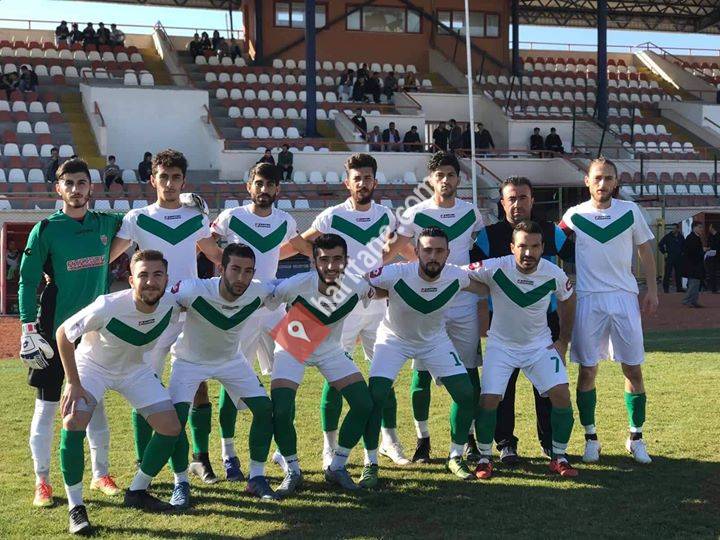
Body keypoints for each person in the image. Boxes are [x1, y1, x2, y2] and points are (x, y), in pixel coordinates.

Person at [109, 149, 223, 483]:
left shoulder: (196, 218)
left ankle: (200, 458)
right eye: (164, 177)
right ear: (152, 179)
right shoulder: (136, 217)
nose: (169, 183)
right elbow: (108, 256)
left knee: (198, 385)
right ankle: (143, 460)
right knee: (142, 385)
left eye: (175, 177)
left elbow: (217, 255)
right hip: (151, 313)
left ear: (183, 181)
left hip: (190, 312)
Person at [19, 158, 123, 508]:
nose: (76, 189)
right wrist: (28, 326)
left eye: (82, 183)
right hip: (54, 328)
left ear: (91, 187)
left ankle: (100, 473)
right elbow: (27, 279)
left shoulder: (107, 222)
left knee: (94, 402)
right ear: (58, 188)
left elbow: (145, 220)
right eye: (69, 183)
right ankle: (42, 481)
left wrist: (184, 205)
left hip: (95, 331)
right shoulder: (47, 228)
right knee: (48, 406)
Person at [56, 250, 182, 534]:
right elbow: (64, 333)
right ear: (130, 280)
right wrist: (73, 383)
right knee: (73, 421)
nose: (150, 281)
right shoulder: (108, 305)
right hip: (93, 367)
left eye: (157, 275)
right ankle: (76, 507)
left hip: (134, 370)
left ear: (166, 279)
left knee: (170, 427)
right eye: (143, 275)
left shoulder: (172, 304)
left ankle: (137, 491)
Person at [299, 153, 406, 470]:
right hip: (340, 308)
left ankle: (389, 440)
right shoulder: (331, 216)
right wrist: (326, 271)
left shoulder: (386, 215)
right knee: (334, 378)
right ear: (347, 182)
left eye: (367, 177)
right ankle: (329, 447)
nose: (362, 183)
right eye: (356, 178)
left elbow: (398, 246)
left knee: (384, 376)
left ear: (375, 181)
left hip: (377, 306)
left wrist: (382, 263)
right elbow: (303, 243)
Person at [210, 162, 311, 481]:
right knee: (230, 382)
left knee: (292, 372)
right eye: (259, 183)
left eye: (270, 184)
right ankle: (229, 454)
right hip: (238, 311)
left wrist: (336, 261)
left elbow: (304, 249)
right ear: (249, 186)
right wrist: (226, 274)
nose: (264, 189)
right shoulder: (231, 217)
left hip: (275, 305)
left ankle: (283, 449)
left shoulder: (286, 220)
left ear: (278, 189)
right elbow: (205, 243)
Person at [383, 152, 484, 464]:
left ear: (458, 178)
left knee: (468, 372)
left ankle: (468, 438)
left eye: (450, 174)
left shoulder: (472, 212)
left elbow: (477, 251)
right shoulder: (415, 213)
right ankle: (423, 440)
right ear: (430, 179)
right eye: (439, 175)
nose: (445, 180)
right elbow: (395, 248)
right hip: (426, 303)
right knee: (422, 372)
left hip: (463, 302)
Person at [367, 227, 487, 484]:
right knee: (375, 395)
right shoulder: (397, 272)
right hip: (394, 340)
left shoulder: (456, 275)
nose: (433, 256)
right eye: (428, 250)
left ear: (448, 253)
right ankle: (371, 462)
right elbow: (363, 282)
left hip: (434, 341)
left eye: (439, 251)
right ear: (417, 251)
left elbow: (486, 287)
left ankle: (455, 456)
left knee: (466, 394)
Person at [559, 156, 658, 464]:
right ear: (587, 181)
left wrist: (652, 289)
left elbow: (645, 250)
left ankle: (636, 437)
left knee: (633, 369)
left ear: (616, 182)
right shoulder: (574, 214)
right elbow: (551, 242)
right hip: (589, 299)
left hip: (624, 297)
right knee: (587, 370)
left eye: (608, 178)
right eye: (597, 178)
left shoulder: (630, 211)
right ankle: (591, 439)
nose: (602, 183)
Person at [471, 176, 574, 464]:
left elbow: (581, 256)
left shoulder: (551, 232)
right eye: (512, 198)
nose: (517, 204)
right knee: (501, 389)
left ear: (532, 201)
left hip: (545, 321)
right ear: (502, 202)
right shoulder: (488, 236)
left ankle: (550, 444)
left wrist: (563, 339)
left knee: (549, 388)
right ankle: (506, 444)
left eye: (523, 197)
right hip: (503, 323)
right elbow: (468, 272)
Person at [166, 244, 277, 506]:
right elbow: (161, 299)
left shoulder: (259, 291)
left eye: (248, 271)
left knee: (264, 410)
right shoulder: (194, 289)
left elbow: (290, 289)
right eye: (235, 269)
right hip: (189, 361)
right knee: (174, 420)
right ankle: (180, 482)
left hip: (231, 361)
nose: (241, 277)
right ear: (221, 268)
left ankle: (257, 477)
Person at [266, 234, 376, 494]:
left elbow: (375, 291)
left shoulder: (357, 285)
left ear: (346, 260)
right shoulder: (295, 284)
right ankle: (292, 470)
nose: (330, 266)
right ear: (314, 261)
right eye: (324, 259)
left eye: (337, 259)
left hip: (330, 349)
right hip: (293, 345)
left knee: (363, 403)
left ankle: (337, 466)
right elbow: (268, 299)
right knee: (281, 409)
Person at [682, 221, 705, 308]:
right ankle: (687, 300)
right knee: (693, 284)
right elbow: (692, 252)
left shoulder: (695, 237)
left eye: (701, 227)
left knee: (696, 283)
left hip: (696, 265)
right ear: (694, 227)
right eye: (699, 227)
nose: (701, 229)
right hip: (693, 265)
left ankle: (693, 301)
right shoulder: (691, 238)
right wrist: (702, 251)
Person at [658, 223, 685, 293]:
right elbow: (660, 245)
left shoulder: (681, 237)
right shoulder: (668, 236)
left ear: (678, 229)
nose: (673, 229)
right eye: (672, 228)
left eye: (675, 228)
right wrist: (664, 252)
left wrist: (682, 253)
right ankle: (666, 288)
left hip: (678, 258)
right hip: (670, 257)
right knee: (667, 273)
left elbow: (684, 245)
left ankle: (679, 288)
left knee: (678, 273)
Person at [706, 223, 719, 293]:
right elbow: (708, 245)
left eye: (710, 227)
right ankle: (713, 288)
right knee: (711, 272)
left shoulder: (718, 235)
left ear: (713, 228)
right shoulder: (710, 236)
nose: (709, 228)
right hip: (710, 257)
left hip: (717, 257)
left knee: (715, 273)